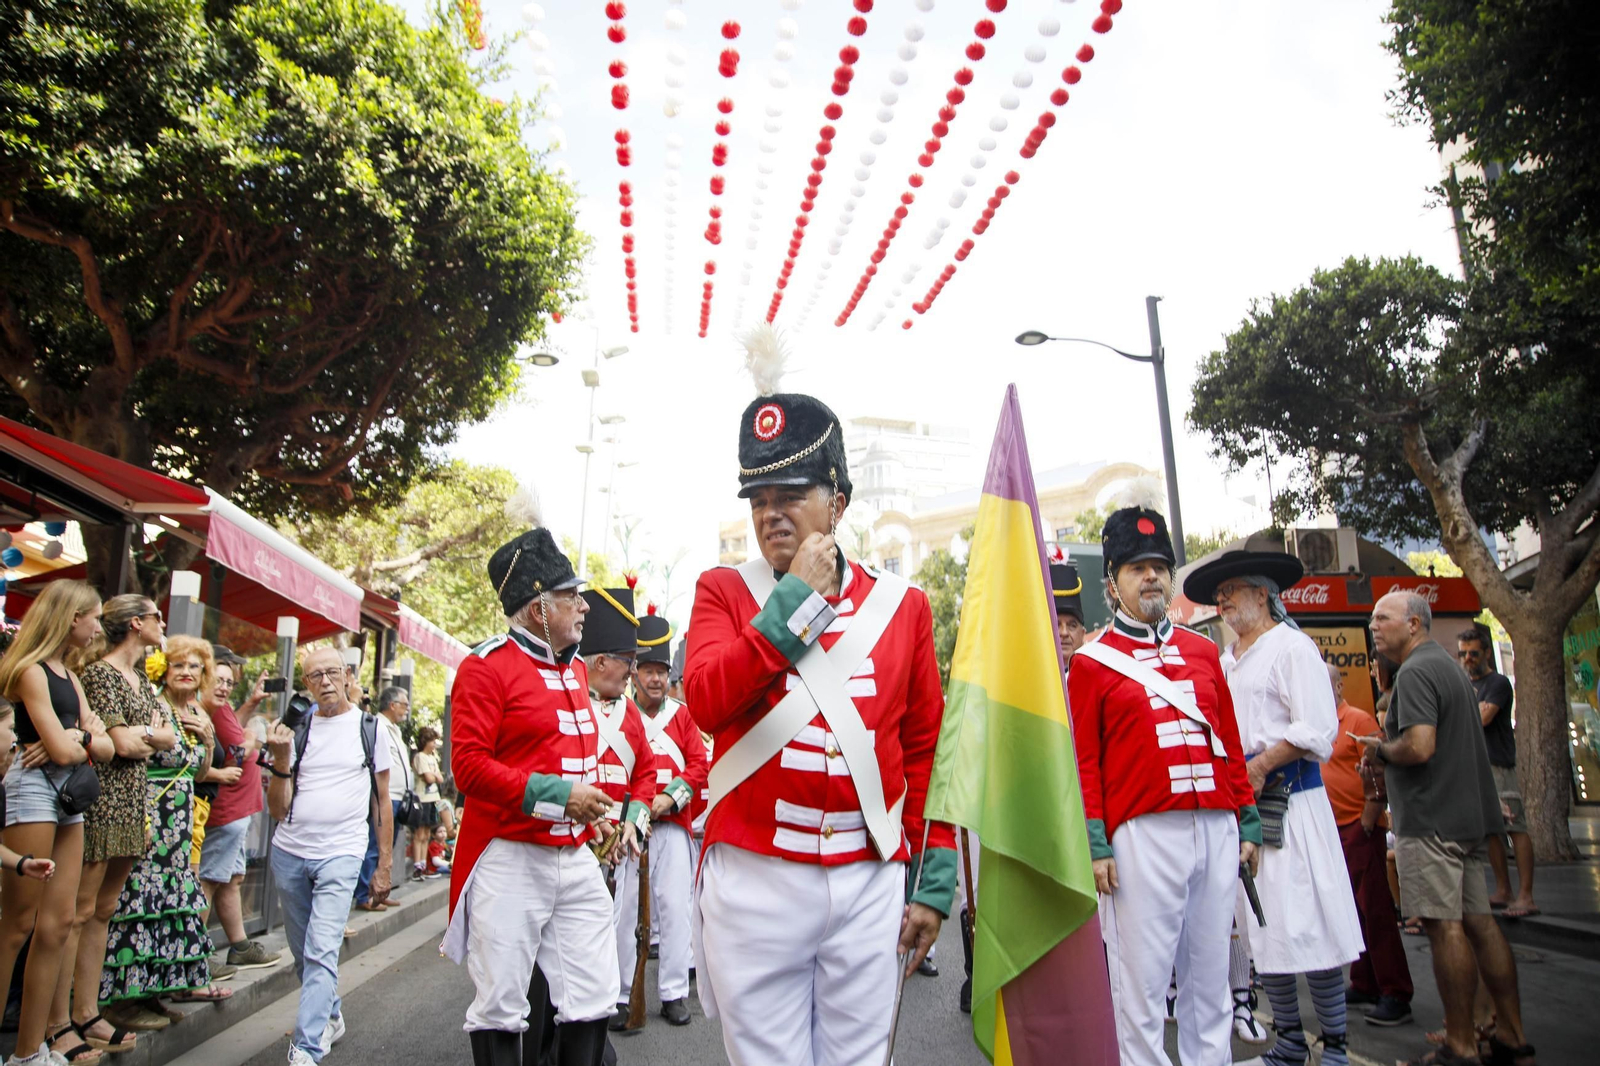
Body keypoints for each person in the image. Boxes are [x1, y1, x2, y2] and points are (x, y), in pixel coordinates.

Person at [685, 332, 955, 1066]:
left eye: (792, 495)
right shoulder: (724, 592)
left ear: (837, 500)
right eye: (759, 500)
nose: (772, 514)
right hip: (756, 878)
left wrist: (932, 880)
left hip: (869, 877)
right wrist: (797, 598)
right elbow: (707, 700)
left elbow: (928, 748)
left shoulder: (903, 607)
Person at [1066, 506, 1260, 1066]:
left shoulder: (1203, 652)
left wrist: (1245, 818)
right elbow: (1086, 764)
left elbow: (1227, 737)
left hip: (1216, 828)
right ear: (1112, 583)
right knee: (1143, 990)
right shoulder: (1093, 662)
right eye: (1135, 567)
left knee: (1209, 983)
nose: (1150, 576)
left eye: (1158, 566)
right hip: (1142, 835)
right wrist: (1096, 843)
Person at [444, 518, 627, 1066]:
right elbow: (469, 769)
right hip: (508, 853)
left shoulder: (574, 672)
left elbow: (569, 761)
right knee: (501, 1001)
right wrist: (560, 795)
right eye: (572, 595)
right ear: (536, 606)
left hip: (571, 853)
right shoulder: (484, 667)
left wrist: (591, 813)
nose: (584, 606)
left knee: (594, 993)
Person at [1184, 550, 1365, 1066]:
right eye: (1218, 595)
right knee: (1265, 928)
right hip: (1245, 808)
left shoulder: (1292, 648)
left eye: (1231, 591)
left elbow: (1316, 729)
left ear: (1262, 594)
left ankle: (1333, 1047)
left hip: (1293, 804)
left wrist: (1260, 766)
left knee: (1310, 922)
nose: (1222, 601)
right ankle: (1287, 1042)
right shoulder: (1225, 661)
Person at [1358, 592, 1536, 1066]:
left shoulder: (1415, 671)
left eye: (1383, 618)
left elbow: (1418, 747)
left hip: (1432, 820)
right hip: (1465, 820)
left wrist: (1379, 750)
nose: (1373, 626)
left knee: (1445, 929)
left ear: (1414, 624)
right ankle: (1511, 1037)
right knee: (1480, 924)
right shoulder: (1448, 667)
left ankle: (1460, 1045)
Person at [52, 595, 174, 1060]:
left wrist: (148, 738)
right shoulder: (101, 673)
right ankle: (58, 1020)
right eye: (157, 616)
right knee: (79, 913)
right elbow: (123, 742)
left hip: (131, 804)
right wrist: (152, 737)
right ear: (137, 624)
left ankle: (87, 1010)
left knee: (103, 911)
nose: (163, 624)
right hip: (100, 803)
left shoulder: (141, 678)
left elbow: (154, 739)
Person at [0, 581, 113, 1066]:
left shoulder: (69, 673)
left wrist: (74, 737)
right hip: (34, 790)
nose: (97, 627)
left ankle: (30, 1052)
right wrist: (81, 738)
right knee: (18, 924)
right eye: (94, 617)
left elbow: (100, 745)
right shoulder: (29, 672)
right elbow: (87, 745)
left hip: (69, 794)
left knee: (59, 923)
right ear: (71, 617)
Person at [263, 645, 393, 1065]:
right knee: (304, 953)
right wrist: (282, 761)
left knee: (322, 948)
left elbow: (383, 802)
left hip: (342, 852)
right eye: (315, 676)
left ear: (348, 675)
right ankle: (330, 1014)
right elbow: (277, 810)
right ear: (306, 685)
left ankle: (306, 1045)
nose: (325, 682)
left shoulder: (370, 729)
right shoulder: (295, 730)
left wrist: (384, 864)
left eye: (332, 673)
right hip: (290, 852)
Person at [100, 636, 230, 1025]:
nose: (187, 673)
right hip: (150, 813)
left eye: (194, 667)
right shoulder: (154, 704)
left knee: (166, 906)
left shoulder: (197, 711)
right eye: (178, 666)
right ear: (163, 671)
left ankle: (151, 993)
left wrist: (207, 739)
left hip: (180, 821)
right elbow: (134, 754)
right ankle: (121, 1001)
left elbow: (200, 772)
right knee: (136, 902)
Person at [614, 610, 709, 1028]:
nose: (654, 679)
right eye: (647, 671)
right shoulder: (620, 712)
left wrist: (669, 799)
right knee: (625, 912)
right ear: (635, 674)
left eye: (661, 672)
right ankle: (621, 993)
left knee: (674, 907)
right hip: (632, 827)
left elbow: (698, 767)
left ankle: (672, 991)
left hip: (671, 827)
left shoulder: (682, 716)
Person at [1320, 661, 1413, 1027]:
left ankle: (1395, 991)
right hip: (1332, 831)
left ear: (1339, 687)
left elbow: (1378, 772)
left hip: (1359, 827)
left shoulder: (1357, 722)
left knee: (1375, 910)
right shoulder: (1319, 724)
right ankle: (1365, 980)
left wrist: (1368, 820)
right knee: (1353, 911)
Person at [197, 647, 281, 968]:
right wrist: (256, 736)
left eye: (229, 681)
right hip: (227, 809)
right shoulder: (210, 710)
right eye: (219, 678)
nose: (225, 687)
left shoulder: (223, 708)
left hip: (238, 808)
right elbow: (238, 750)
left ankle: (240, 945)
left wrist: (249, 708)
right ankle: (196, 956)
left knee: (229, 879)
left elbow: (235, 739)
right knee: (209, 879)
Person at [1457, 627, 1536, 917]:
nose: (1467, 659)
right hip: (1476, 765)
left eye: (1473, 653)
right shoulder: (1465, 685)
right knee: (1491, 829)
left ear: (1487, 653)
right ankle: (1504, 889)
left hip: (1499, 764)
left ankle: (1526, 895)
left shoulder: (1498, 683)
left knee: (1515, 826)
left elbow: (1484, 717)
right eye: (1463, 653)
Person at [355, 685, 411, 909]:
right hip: (382, 796)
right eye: (404, 704)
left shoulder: (394, 728)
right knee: (374, 846)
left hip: (398, 797)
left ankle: (380, 889)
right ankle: (364, 895)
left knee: (388, 846)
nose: (406, 709)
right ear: (392, 705)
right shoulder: (376, 725)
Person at [409, 727, 444, 881]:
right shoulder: (420, 757)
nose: (434, 744)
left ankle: (424, 866)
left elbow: (440, 778)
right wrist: (435, 775)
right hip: (422, 799)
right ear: (426, 742)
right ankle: (417, 866)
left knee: (427, 834)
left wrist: (435, 775)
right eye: (432, 741)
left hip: (432, 798)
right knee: (419, 834)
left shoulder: (432, 758)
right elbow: (430, 779)